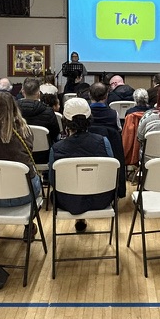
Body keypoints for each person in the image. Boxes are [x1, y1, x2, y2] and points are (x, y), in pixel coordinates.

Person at [49, 98, 115, 232]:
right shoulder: (104, 142)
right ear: (89, 119)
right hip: (101, 199)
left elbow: (52, 180)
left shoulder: (56, 149)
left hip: (68, 201)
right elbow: (112, 173)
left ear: (65, 121)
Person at [18, 77, 60, 163]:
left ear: (23, 92)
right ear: (38, 94)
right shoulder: (48, 111)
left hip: (19, 153)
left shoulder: (12, 111)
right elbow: (55, 133)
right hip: (44, 156)